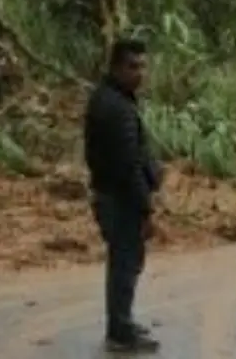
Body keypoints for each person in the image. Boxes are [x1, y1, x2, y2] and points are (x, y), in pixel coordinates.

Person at [83, 39, 161, 354]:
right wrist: (146, 209)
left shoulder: (113, 99)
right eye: (132, 66)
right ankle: (120, 332)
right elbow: (128, 165)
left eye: (142, 66)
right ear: (115, 67)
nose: (139, 73)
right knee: (125, 264)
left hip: (113, 194)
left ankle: (122, 323)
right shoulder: (115, 107)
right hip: (120, 198)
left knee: (124, 262)